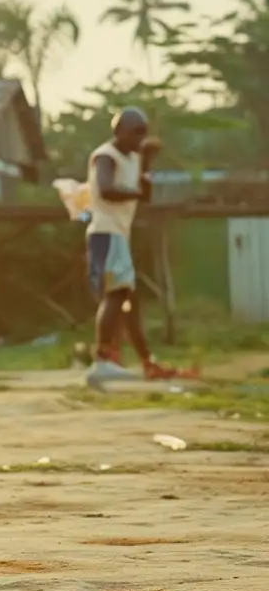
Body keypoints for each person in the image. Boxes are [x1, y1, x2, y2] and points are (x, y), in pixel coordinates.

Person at [80, 107, 183, 385]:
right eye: (135, 132)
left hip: (117, 235)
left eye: (143, 133)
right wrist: (137, 190)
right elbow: (106, 190)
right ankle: (101, 360)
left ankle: (146, 361)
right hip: (106, 231)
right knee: (117, 294)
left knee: (128, 302)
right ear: (119, 131)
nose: (139, 137)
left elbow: (145, 195)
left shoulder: (134, 159)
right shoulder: (106, 156)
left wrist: (146, 161)